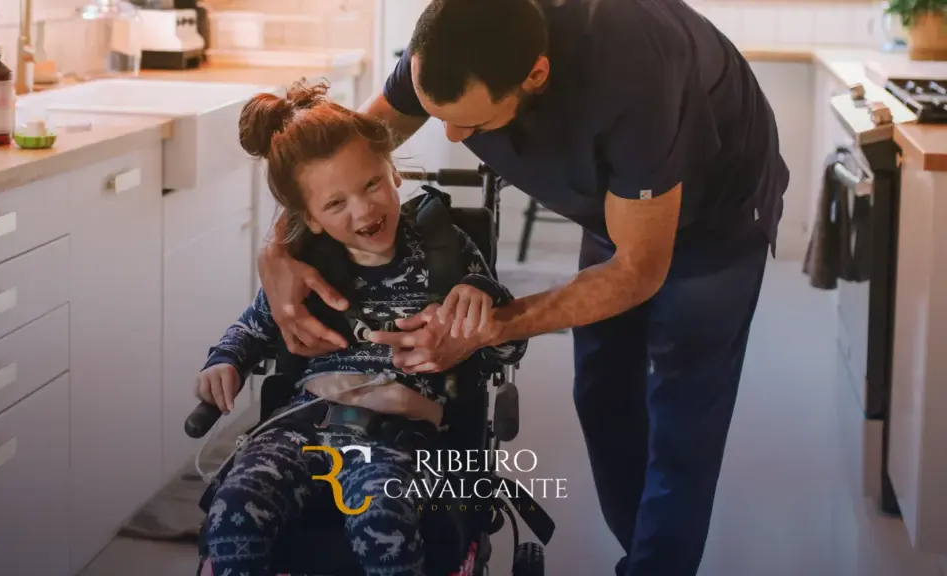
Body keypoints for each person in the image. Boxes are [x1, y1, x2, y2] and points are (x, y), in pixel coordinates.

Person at [255, 1, 790, 575]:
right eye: (440, 117)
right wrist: (279, 246)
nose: (454, 136)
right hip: (618, 207)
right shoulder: (451, 38)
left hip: (717, 217)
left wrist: (484, 328)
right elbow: (331, 160)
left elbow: (638, 270)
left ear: (535, 75)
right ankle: (645, 552)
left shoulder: (634, 76)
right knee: (602, 393)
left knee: (681, 418)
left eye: (475, 124)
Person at [194, 79, 529, 576]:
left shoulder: (446, 249)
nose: (364, 209)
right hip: (301, 425)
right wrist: (224, 360)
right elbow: (252, 328)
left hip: (396, 435)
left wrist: (485, 312)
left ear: (392, 172)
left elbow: (508, 348)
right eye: (335, 204)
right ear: (305, 218)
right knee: (234, 505)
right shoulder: (305, 267)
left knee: (382, 519)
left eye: (372, 183)